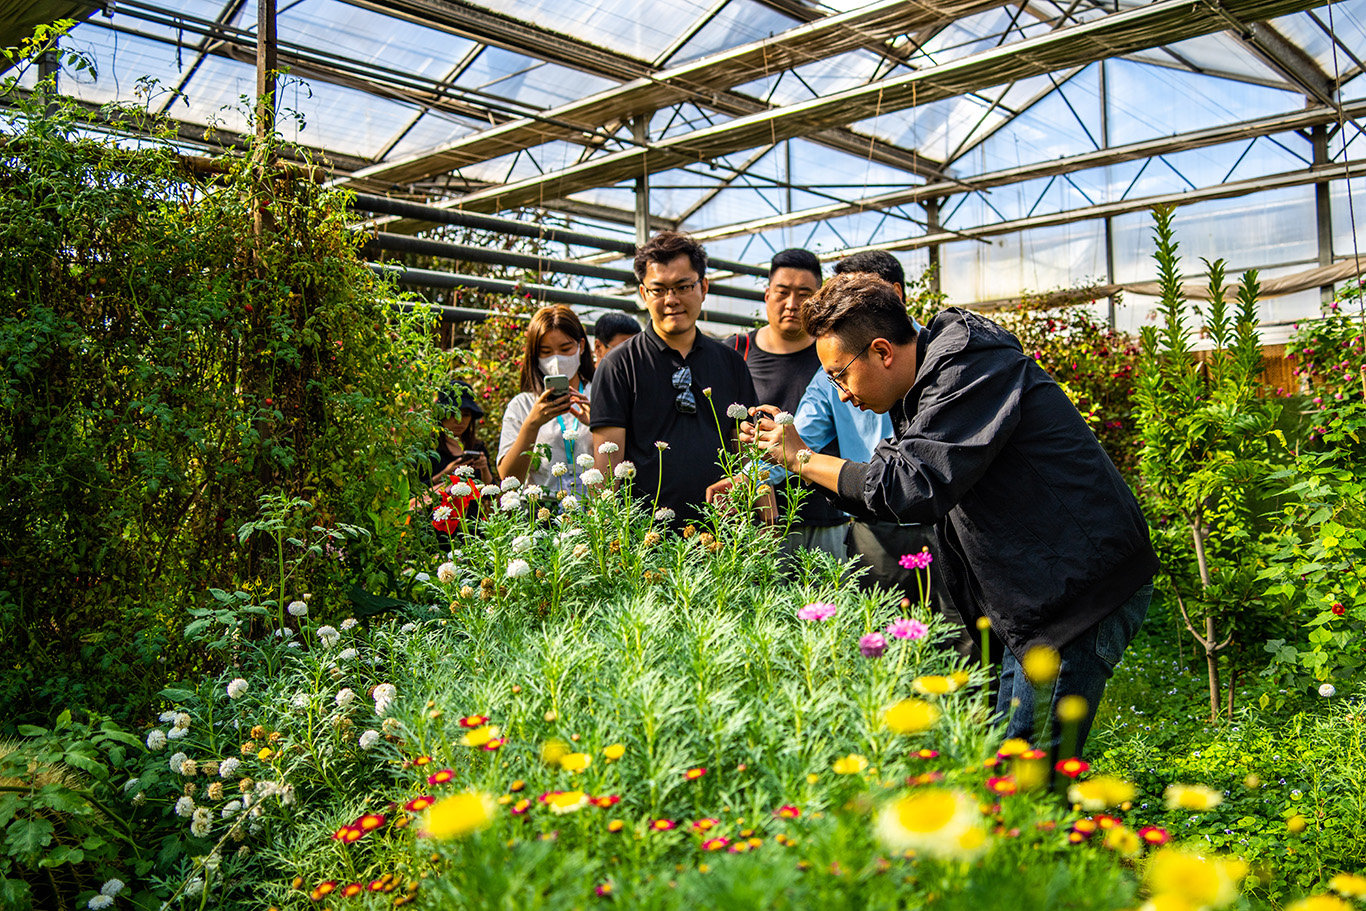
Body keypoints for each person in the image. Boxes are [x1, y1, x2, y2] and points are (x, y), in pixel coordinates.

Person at [743, 273, 1158, 759]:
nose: (840, 393)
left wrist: (803, 459)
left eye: (839, 374)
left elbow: (911, 484)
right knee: (1013, 764)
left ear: (882, 351)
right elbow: (891, 479)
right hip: (1037, 598)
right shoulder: (928, 383)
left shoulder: (968, 372)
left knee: (1029, 784)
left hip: (1075, 594)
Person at [797, 250, 946, 613]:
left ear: (893, 294)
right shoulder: (833, 372)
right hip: (876, 526)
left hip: (944, 523)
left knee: (961, 639)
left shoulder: (945, 361)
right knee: (879, 637)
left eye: (859, 295)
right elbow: (802, 437)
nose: (844, 391)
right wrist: (750, 477)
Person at [591, 231, 757, 528]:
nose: (671, 300)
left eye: (682, 286)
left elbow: (744, 452)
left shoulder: (730, 363)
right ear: (643, 294)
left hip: (720, 534)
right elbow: (607, 468)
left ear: (703, 287)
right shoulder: (618, 365)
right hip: (645, 538)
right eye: (659, 290)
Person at [722, 248, 848, 560]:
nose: (792, 304)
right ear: (767, 295)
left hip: (827, 515)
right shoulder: (736, 351)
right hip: (758, 519)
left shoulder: (834, 353)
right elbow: (722, 431)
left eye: (804, 294)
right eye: (782, 292)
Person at [497, 305, 594, 494]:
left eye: (565, 348)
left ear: (581, 346)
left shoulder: (599, 395)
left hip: (594, 516)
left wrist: (597, 425)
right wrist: (532, 424)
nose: (556, 360)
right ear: (535, 355)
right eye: (546, 351)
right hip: (541, 515)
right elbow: (509, 479)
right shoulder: (523, 405)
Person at [422, 382, 493, 535]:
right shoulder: (427, 450)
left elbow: (491, 494)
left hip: (473, 530)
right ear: (441, 415)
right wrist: (445, 474)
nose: (459, 420)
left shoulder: (477, 448)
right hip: (435, 532)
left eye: (465, 415)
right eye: (453, 414)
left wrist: (484, 468)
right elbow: (415, 495)